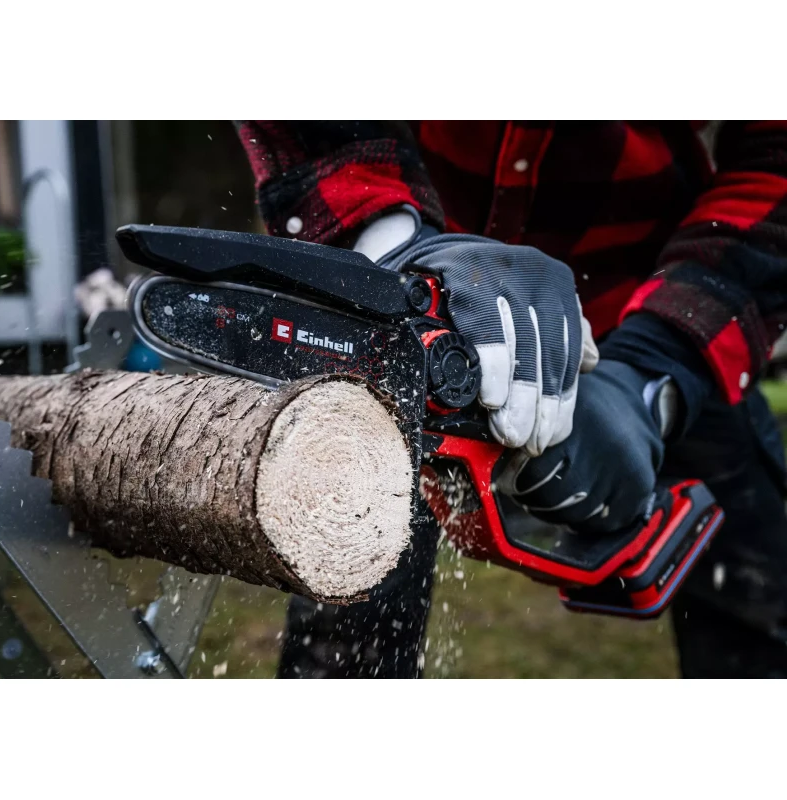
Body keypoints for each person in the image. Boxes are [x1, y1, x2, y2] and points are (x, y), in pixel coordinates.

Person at [236, 121, 787, 678]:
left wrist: (654, 372)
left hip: (654, 306)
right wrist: (393, 243)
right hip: (421, 303)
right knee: (348, 601)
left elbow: (775, 163)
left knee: (755, 593)